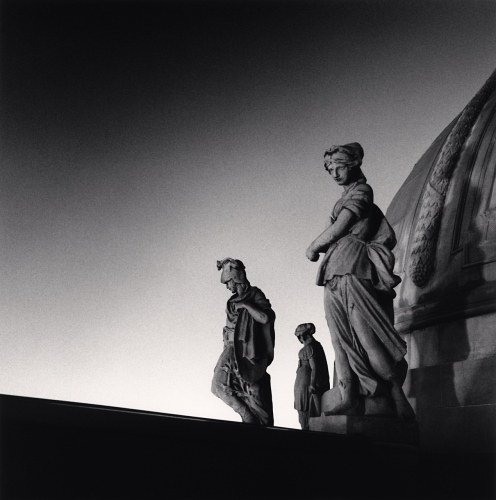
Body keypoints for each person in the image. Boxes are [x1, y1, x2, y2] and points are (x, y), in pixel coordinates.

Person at [305, 143, 415, 420]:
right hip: (333, 271)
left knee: (368, 338)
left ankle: (396, 395)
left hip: (354, 268)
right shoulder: (344, 197)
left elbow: (341, 227)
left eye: (339, 167)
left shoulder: (362, 192)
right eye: (331, 169)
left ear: (353, 164)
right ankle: (349, 396)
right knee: (339, 341)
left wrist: (315, 245)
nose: (335, 173)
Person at [211, 258, 275, 426]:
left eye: (228, 282)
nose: (227, 287)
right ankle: (246, 415)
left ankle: (253, 418)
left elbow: (265, 317)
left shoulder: (254, 294)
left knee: (254, 390)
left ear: (235, 279)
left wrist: (246, 305)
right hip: (230, 349)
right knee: (217, 386)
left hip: (249, 350)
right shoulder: (231, 302)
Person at [293, 323, 330, 430]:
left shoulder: (310, 348)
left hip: (307, 387)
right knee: (304, 415)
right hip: (303, 387)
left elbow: (315, 368)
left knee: (307, 414)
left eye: (298, 336)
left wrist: (312, 385)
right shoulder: (315, 346)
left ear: (302, 336)